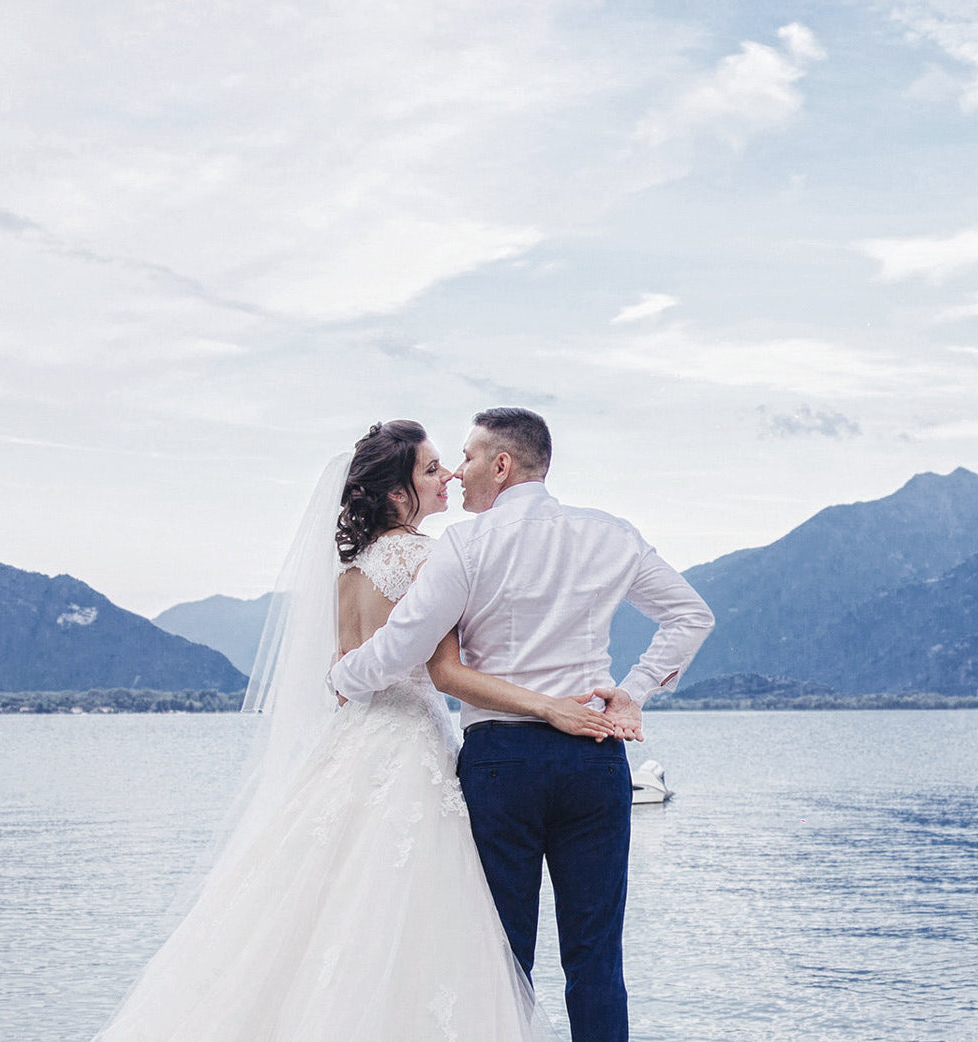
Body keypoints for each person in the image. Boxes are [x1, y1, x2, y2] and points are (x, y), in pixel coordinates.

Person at [92, 420, 607, 1041]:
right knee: (412, 911)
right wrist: (548, 701)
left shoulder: (351, 570)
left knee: (321, 902)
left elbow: (342, 676)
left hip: (357, 741)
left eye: (447, 464)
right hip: (414, 737)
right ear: (397, 495)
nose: (446, 477)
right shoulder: (428, 556)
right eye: (430, 470)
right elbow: (446, 671)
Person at [331, 407, 714, 1042]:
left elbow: (404, 645)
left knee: (502, 959)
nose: (460, 470)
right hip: (593, 757)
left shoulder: (465, 545)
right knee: (596, 957)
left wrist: (342, 678)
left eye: (470, 457)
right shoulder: (611, 534)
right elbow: (691, 616)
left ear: (502, 464)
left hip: (500, 763)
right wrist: (633, 691)